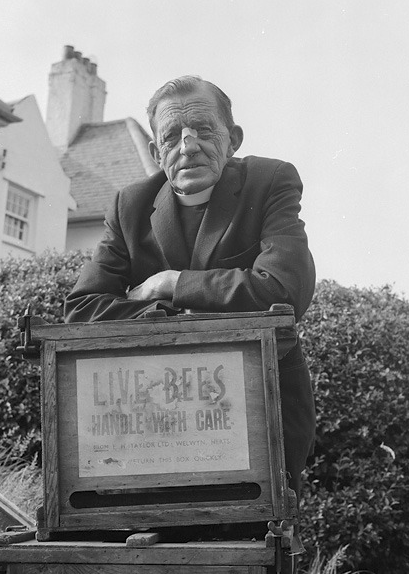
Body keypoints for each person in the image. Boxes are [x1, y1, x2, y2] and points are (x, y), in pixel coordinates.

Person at [64, 75, 316, 518]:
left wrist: (168, 283)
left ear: (233, 139)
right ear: (155, 152)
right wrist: (169, 315)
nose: (189, 145)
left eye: (203, 129)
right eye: (172, 136)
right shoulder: (130, 205)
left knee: (254, 543)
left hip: (264, 413)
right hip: (159, 425)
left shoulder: (270, 181)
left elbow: (282, 290)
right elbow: (81, 309)